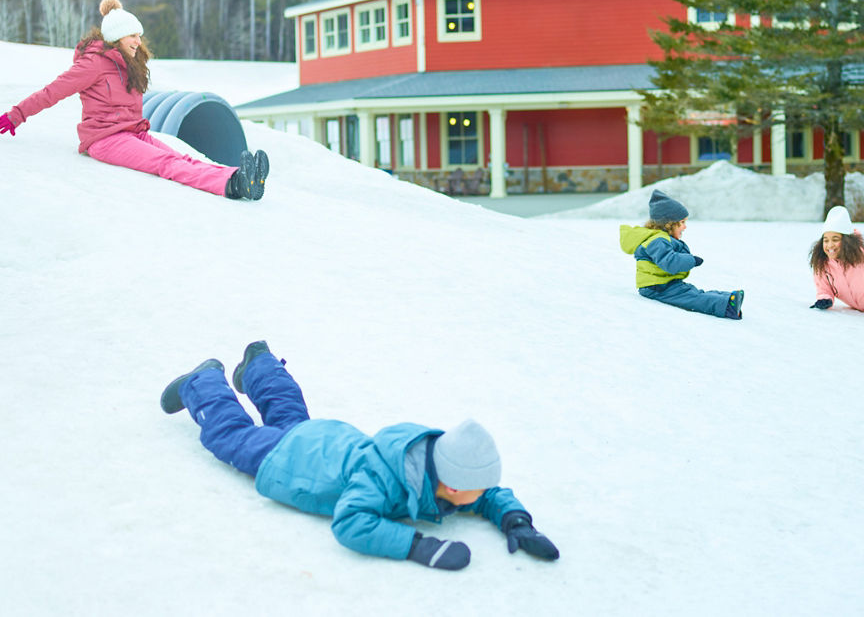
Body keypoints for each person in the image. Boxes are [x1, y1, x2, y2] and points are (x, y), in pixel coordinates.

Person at [159, 340, 559, 571]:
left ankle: (259, 364)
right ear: (453, 487)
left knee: (286, 411)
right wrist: (418, 546)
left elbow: (489, 495)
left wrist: (516, 521)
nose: (484, 494)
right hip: (288, 460)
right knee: (231, 436)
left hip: (325, 439)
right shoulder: (382, 482)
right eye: (478, 489)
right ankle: (203, 381)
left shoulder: (432, 463)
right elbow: (351, 522)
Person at [0, 0, 268, 201]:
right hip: (105, 139)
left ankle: (241, 176)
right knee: (166, 164)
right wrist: (15, 116)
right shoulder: (92, 64)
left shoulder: (130, 64)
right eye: (133, 36)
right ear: (116, 37)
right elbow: (52, 92)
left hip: (133, 133)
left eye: (139, 36)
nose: (139, 41)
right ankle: (234, 185)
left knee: (182, 158)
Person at [619, 189, 744, 319]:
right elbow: (669, 262)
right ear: (668, 224)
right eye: (682, 222)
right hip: (656, 287)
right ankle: (728, 306)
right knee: (690, 297)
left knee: (692, 292)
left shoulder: (661, 238)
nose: (685, 227)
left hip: (664, 283)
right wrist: (692, 260)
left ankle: (728, 298)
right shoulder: (657, 240)